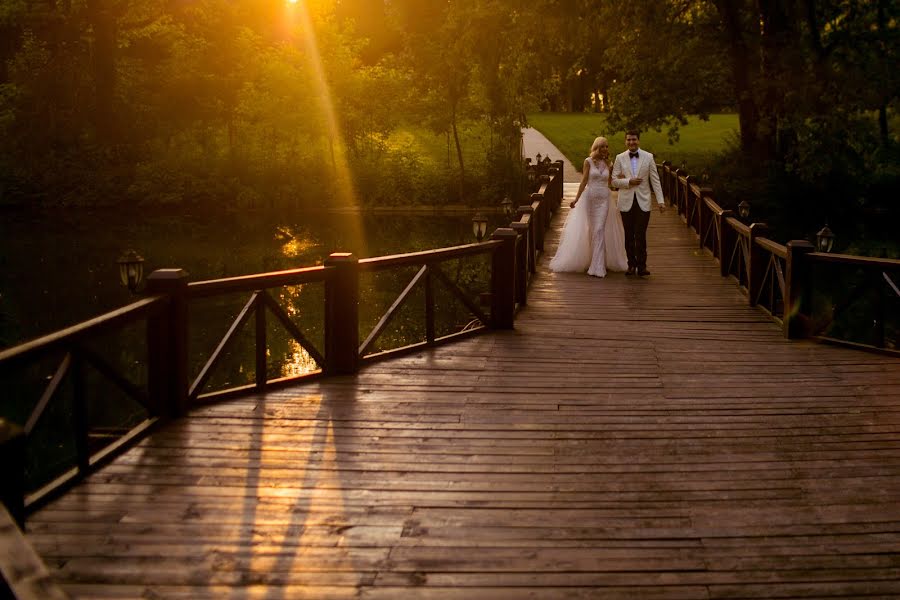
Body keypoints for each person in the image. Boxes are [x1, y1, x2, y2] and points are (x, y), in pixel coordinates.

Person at [549, 137, 628, 277]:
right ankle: (591, 260)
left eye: (607, 147)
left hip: (604, 200)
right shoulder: (588, 162)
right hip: (590, 199)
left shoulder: (609, 163)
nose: (605, 149)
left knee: (599, 230)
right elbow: (584, 181)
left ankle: (598, 267)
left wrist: (625, 180)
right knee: (591, 230)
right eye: (602, 146)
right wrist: (576, 199)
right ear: (597, 147)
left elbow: (611, 183)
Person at [611, 130, 665, 277]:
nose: (631, 142)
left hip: (644, 201)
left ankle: (642, 266)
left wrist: (660, 201)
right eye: (628, 140)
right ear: (625, 141)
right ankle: (631, 265)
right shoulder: (620, 158)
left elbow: (655, 180)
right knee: (629, 235)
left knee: (640, 235)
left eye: (634, 140)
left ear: (638, 141)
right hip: (625, 202)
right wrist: (629, 182)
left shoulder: (648, 157)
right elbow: (613, 180)